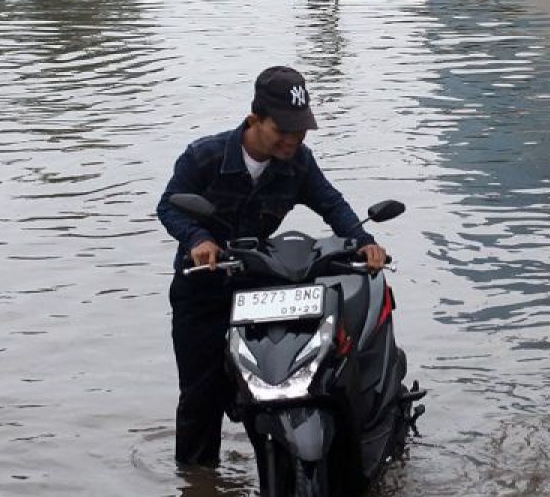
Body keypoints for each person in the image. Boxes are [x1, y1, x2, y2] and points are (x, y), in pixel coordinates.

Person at [157, 65, 387, 467]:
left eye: (299, 131)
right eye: (283, 130)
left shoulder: (298, 162)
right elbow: (169, 206)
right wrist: (199, 240)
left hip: (257, 289)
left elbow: (331, 203)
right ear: (255, 119)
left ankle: (282, 477)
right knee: (200, 396)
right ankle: (198, 488)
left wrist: (364, 242)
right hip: (203, 289)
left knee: (273, 385)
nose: (292, 140)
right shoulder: (204, 157)